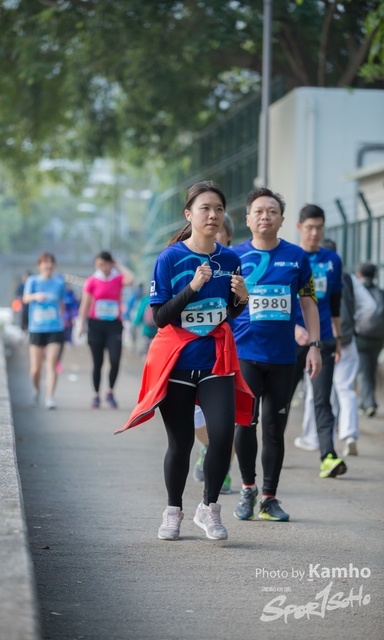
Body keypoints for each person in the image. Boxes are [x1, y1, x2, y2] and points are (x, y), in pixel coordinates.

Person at [116, 181, 254, 541]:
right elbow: (160, 317)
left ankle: (209, 508)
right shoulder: (170, 258)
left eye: (219, 209)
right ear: (189, 214)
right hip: (177, 361)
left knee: (222, 436)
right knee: (180, 443)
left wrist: (242, 298)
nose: (213, 215)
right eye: (205, 208)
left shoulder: (230, 259)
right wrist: (192, 287)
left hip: (214, 360)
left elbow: (228, 313)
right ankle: (173, 511)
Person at [232, 188, 321, 522]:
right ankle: (248, 489)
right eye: (258, 211)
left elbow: (308, 303)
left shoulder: (297, 257)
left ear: (282, 219)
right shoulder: (233, 257)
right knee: (245, 423)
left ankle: (269, 498)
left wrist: (315, 345)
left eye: (272, 211)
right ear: (248, 219)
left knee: (274, 427)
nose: (265, 216)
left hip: (284, 357)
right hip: (245, 354)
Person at [296, 239, 376, 457]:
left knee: (316, 393)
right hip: (344, 340)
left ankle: (312, 437)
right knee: (345, 389)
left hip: (320, 339)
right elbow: (369, 306)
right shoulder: (348, 278)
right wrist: (353, 326)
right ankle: (350, 435)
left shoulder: (305, 273)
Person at [288, 204, 346, 479]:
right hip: (290, 340)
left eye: (319, 228)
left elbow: (335, 301)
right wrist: (293, 327)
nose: (314, 233)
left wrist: (338, 336)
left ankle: (328, 456)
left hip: (321, 341)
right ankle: (273, 452)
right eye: (309, 227)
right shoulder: (289, 257)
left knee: (323, 399)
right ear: (299, 227)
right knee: (281, 400)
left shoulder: (332, 260)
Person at [192, 212, 236, 494]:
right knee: (197, 420)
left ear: (227, 235)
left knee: (229, 421)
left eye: (218, 231)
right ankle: (209, 449)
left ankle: (223, 473)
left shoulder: (236, 263)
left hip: (233, 351)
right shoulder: (189, 260)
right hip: (199, 353)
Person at [79, 251, 135, 409]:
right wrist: (81, 325)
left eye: (106, 264)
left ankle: (110, 392)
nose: (103, 268)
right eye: (100, 265)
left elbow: (131, 278)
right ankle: (96, 395)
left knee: (115, 360)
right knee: (98, 362)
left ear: (111, 264)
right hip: (96, 325)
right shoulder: (92, 280)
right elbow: (85, 304)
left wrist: (119, 265)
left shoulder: (117, 279)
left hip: (114, 326)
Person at [22, 254, 65, 409]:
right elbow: (25, 298)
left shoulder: (59, 283)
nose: (48, 266)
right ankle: (36, 390)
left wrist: (63, 319)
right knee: (35, 369)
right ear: (39, 265)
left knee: (51, 363)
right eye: (45, 263)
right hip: (37, 328)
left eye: (51, 263)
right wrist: (35, 296)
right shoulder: (32, 281)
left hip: (55, 328)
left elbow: (61, 303)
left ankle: (50, 397)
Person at [356, 262, 384, 417]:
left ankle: (369, 404)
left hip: (360, 338)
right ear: (374, 275)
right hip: (378, 339)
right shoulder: (381, 293)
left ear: (360, 274)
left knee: (364, 372)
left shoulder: (358, 292)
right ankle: (366, 403)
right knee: (371, 369)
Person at [56, 285, 80, 373]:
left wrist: (73, 317)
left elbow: (74, 306)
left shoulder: (70, 294)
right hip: (53, 324)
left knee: (60, 343)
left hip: (65, 322)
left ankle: (57, 361)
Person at [132, 291, 158, 357]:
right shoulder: (159, 298)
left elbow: (140, 313)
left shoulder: (145, 300)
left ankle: (146, 357)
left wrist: (135, 323)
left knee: (146, 346)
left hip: (146, 328)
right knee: (154, 345)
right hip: (157, 328)